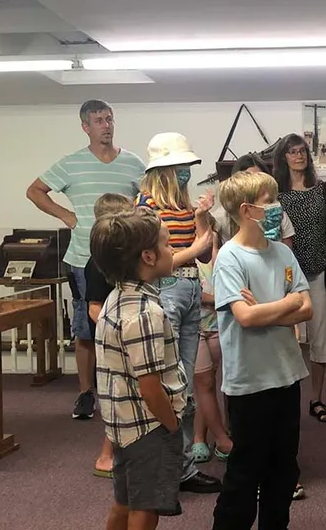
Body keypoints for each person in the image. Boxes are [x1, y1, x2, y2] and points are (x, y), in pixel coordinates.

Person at [26, 99, 147, 421]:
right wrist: (68, 216)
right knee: (86, 328)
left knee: (128, 324)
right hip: (82, 257)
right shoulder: (71, 163)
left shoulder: (134, 163)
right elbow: (35, 191)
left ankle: (130, 387)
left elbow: (147, 200)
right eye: (98, 121)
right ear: (85, 127)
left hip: (124, 259)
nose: (106, 125)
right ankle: (85, 393)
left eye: (109, 119)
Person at [211, 171, 313, 530]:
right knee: (244, 473)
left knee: (283, 469)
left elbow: (307, 307)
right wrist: (285, 304)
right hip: (250, 383)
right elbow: (244, 317)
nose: (276, 207)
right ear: (246, 209)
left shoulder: (283, 251)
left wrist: (267, 309)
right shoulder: (230, 258)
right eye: (268, 201)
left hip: (287, 376)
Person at [90, 207, 187, 530]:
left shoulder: (115, 299)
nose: (172, 250)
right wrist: (172, 426)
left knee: (125, 500)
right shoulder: (144, 313)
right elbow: (150, 387)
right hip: (149, 428)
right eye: (167, 244)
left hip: (123, 425)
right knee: (145, 509)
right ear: (148, 256)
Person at [135, 132, 221, 493]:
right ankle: (162, 470)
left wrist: (201, 220)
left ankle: (182, 469)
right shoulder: (145, 207)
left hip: (188, 292)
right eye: (182, 166)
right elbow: (150, 263)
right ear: (166, 169)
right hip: (166, 292)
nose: (187, 171)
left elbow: (202, 256)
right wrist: (196, 247)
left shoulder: (183, 206)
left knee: (182, 388)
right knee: (164, 383)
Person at [273, 133, 326, 425]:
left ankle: (316, 398)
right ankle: (285, 396)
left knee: (320, 339)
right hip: (286, 278)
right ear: (284, 157)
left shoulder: (323, 190)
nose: (299, 156)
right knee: (285, 339)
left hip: (318, 273)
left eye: (302, 151)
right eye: (293, 152)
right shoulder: (275, 194)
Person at [84, 192, 135, 478]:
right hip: (111, 340)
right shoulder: (96, 264)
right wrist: (118, 332)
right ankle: (105, 457)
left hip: (118, 335)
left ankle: (115, 455)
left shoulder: (121, 260)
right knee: (117, 399)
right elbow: (94, 308)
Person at [191, 215, 232, 464]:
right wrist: (218, 299)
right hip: (194, 327)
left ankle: (216, 435)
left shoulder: (226, 257)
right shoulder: (186, 258)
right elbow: (192, 294)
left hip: (219, 326)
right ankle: (203, 437)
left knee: (218, 383)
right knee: (203, 383)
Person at [209, 153, 296, 247]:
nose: (255, 183)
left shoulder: (275, 212)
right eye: (249, 177)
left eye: (259, 177)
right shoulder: (223, 216)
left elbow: (287, 252)